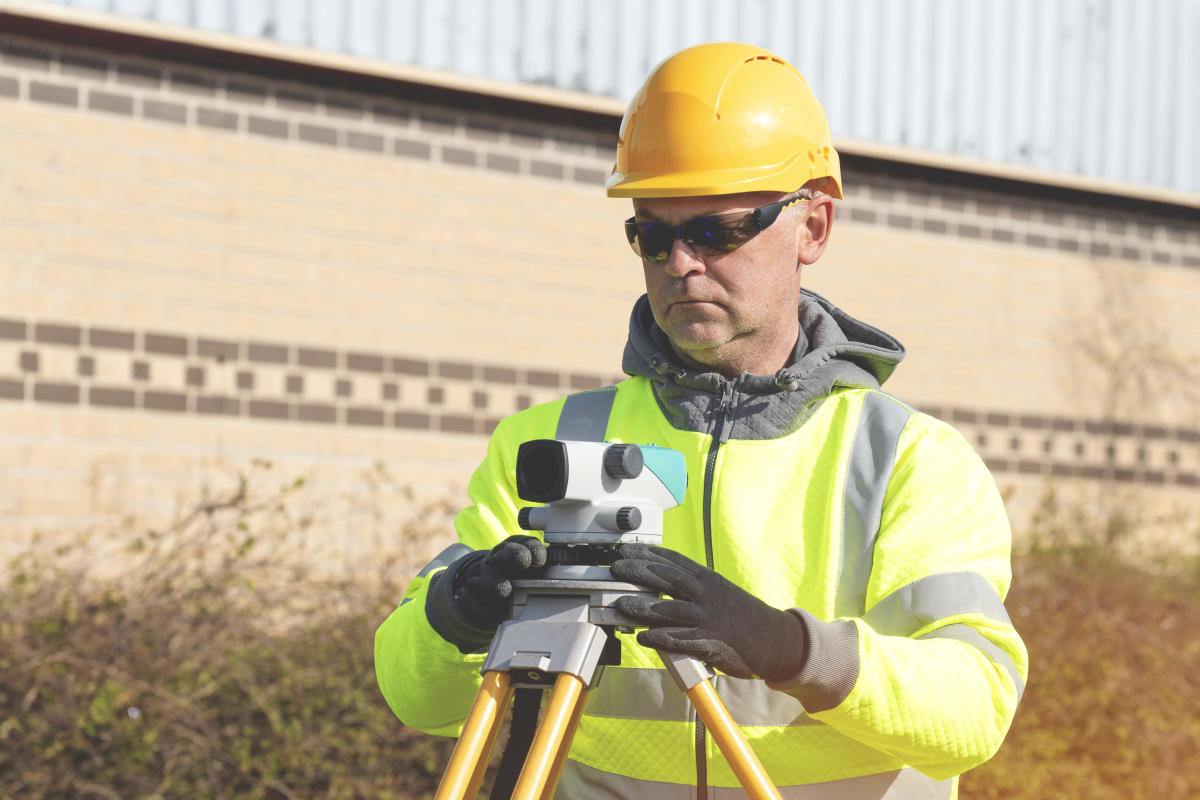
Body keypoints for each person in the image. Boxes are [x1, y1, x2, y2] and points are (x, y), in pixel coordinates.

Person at [375, 42, 1027, 799]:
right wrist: (458, 613)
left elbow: (974, 710)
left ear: (813, 226)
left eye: (718, 230)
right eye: (652, 235)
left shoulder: (906, 460)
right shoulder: (550, 445)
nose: (681, 262)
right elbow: (410, 694)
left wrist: (790, 649)